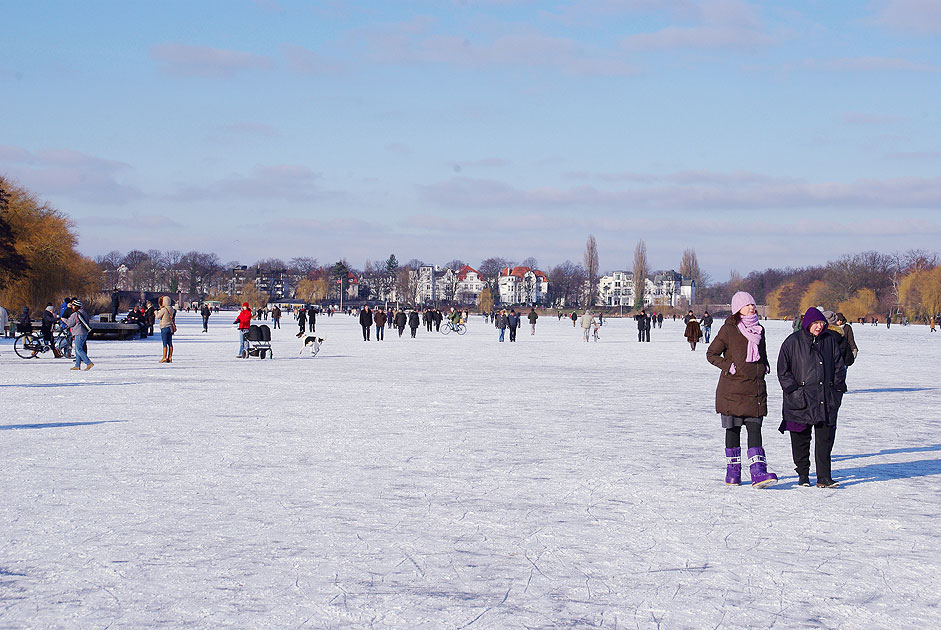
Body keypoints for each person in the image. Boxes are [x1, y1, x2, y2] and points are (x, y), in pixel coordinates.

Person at [706, 291, 777, 488]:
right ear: (738, 309)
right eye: (747, 305)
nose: (752, 308)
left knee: (755, 427)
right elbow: (711, 353)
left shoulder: (759, 329)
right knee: (733, 429)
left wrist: (765, 364)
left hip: (754, 387)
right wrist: (729, 366)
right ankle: (733, 473)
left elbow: (762, 352)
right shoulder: (729, 330)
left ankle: (758, 472)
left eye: (753, 304)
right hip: (732, 389)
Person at [777, 307, 845, 488]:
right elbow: (783, 371)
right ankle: (803, 474)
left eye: (821, 323)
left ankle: (824, 477)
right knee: (800, 440)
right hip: (800, 401)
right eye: (815, 323)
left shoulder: (829, 341)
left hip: (826, 399)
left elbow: (840, 367)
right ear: (807, 324)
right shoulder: (792, 342)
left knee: (824, 441)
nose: (819, 327)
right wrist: (794, 391)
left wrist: (836, 391)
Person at [66, 300, 93, 371]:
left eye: (73, 306)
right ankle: (77, 365)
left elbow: (70, 324)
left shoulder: (75, 314)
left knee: (79, 349)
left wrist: (64, 320)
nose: (72, 307)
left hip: (78, 333)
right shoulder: (84, 313)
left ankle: (88, 362)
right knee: (77, 349)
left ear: (76, 307)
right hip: (84, 333)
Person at [156, 296, 176, 363]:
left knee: (165, 343)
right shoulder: (172, 309)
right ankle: (170, 357)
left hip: (164, 327)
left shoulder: (164, 309)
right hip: (170, 327)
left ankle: (164, 357)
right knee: (170, 343)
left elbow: (158, 317)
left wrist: (156, 312)